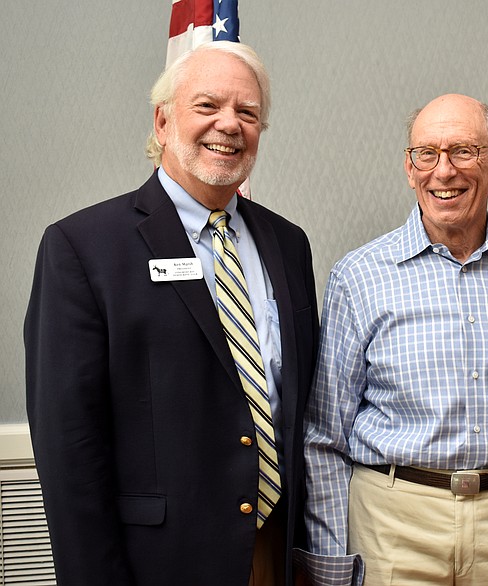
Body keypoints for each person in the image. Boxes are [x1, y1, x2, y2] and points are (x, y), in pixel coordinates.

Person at [24, 41, 319, 586]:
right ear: (162, 122)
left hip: (274, 551)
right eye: (208, 106)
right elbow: (70, 451)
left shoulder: (288, 243)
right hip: (157, 563)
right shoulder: (83, 248)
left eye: (247, 112)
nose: (229, 125)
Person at [298, 93, 488, 585]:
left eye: (463, 151)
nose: (444, 171)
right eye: (427, 154)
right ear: (409, 167)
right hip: (393, 524)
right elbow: (323, 438)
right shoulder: (358, 276)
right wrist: (331, 557)